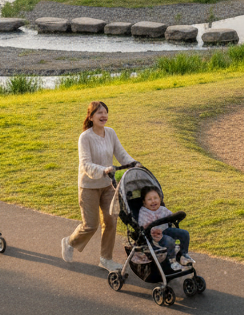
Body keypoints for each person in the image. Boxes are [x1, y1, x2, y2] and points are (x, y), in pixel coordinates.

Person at [62, 101, 135, 272]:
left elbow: (121, 153)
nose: (104, 116)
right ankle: (70, 242)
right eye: (99, 113)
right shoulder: (85, 137)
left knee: (111, 220)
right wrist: (104, 170)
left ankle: (105, 259)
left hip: (108, 185)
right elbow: (86, 164)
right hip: (88, 186)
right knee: (91, 225)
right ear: (91, 117)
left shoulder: (110, 133)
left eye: (105, 112)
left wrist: (133, 163)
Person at [137, 186, 191, 270]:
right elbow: (144, 226)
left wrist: (176, 216)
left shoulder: (162, 209)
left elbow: (171, 217)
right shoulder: (144, 212)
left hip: (165, 230)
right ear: (144, 202)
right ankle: (172, 261)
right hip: (154, 237)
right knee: (169, 240)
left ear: (160, 199)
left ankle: (183, 255)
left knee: (184, 234)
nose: (153, 201)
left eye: (155, 198)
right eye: (149, 199)